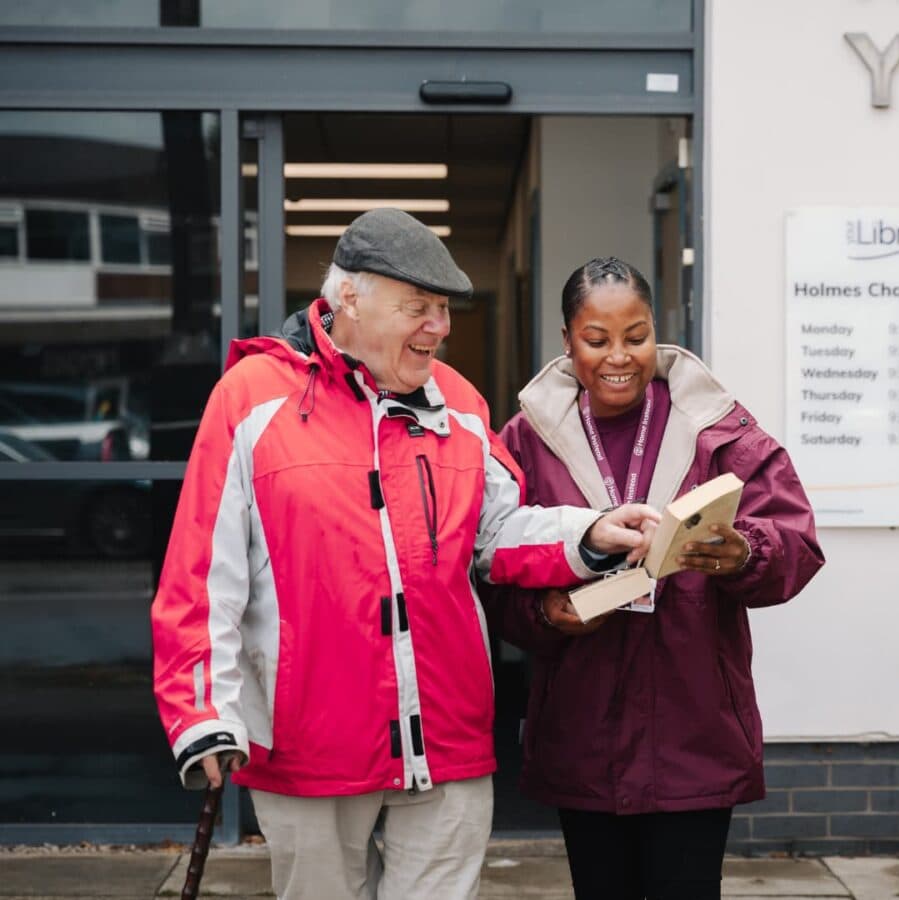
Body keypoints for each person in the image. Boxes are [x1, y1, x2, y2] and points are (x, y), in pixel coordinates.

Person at [150, 212, 660, 900]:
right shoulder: (250, 400)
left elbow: (498, 529)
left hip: (446, 741)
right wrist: (204, 713)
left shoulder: (460, 403)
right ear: (349, 301)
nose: (440, 327)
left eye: (444, 309)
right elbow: (204, 575)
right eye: (418, 307)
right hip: (310, 745)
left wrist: (591, 534)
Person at [486, 257, 824, 900]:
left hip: (693, 727)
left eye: (636, 336)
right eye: (596, 339)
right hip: (583, 729)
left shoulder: (719, 429)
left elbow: (797, 540)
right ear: (566, 340)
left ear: (657, 331)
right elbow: (488, 570)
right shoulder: (524, 441)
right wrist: (547, 615)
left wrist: (743, 553)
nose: (620, 357)